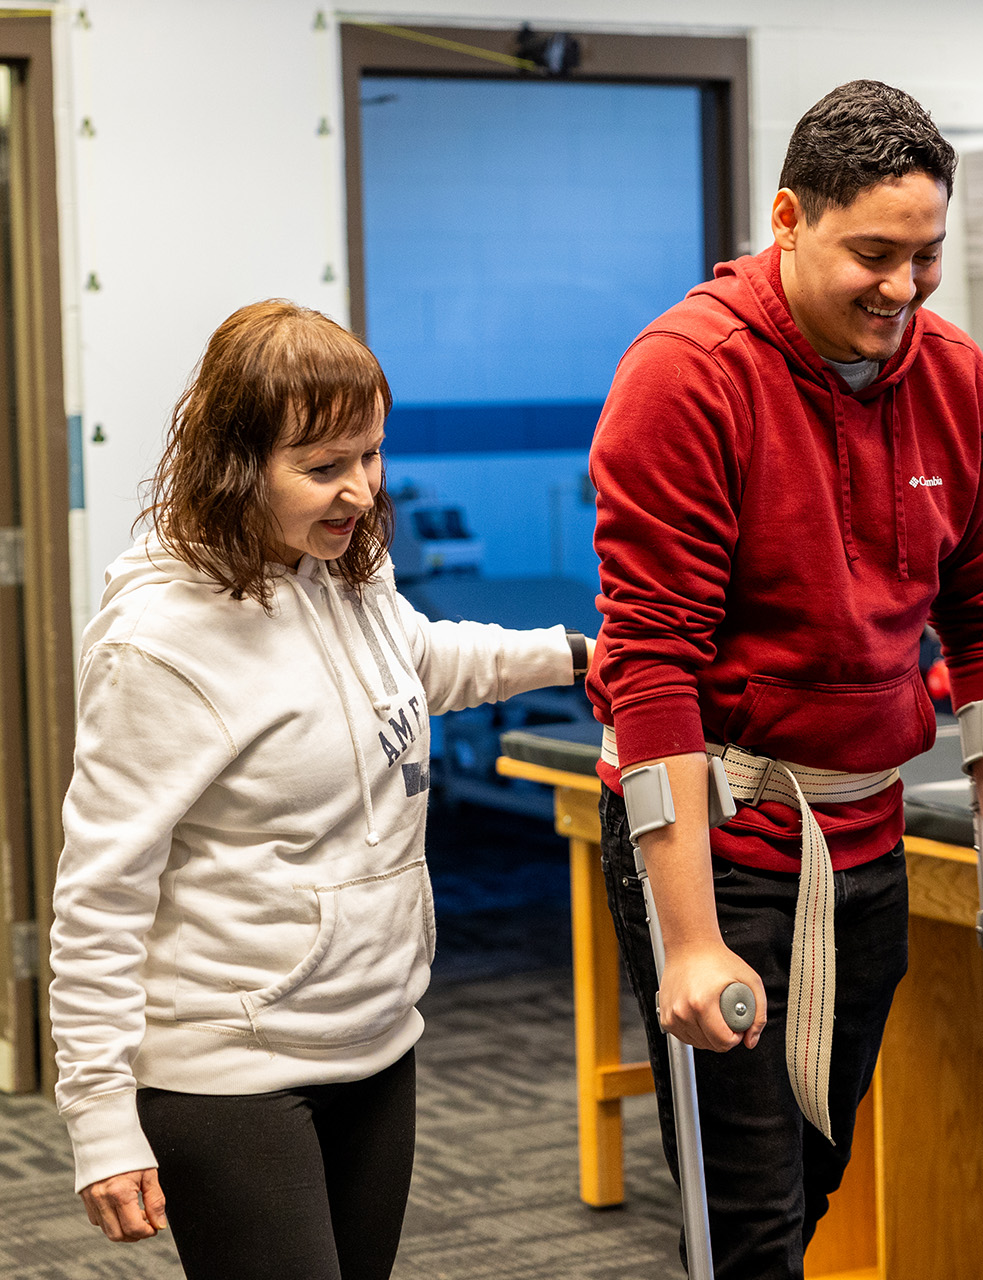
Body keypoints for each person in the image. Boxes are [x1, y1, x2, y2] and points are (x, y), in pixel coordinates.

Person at [587, 80, 983, 1277]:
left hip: (866, 833)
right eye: (873, 254)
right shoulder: (688, 374)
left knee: (815, 1181)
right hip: (728, 828)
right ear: (789, 217)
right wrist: (691, 937)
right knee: (749, 1225)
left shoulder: (958, 381)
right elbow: (650, 670)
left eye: (926, 257)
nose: (902, 290)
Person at [48, 300, 584, 1279]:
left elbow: (418, 659)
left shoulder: (342, 568)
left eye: (371, 455)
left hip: (374, 1034)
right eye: (324, 466)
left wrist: (574, 655)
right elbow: (101, 891)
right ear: (238, 463)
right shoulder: (160, 643)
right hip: (229, 1065)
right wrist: (98, 1115)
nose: (361, 490)